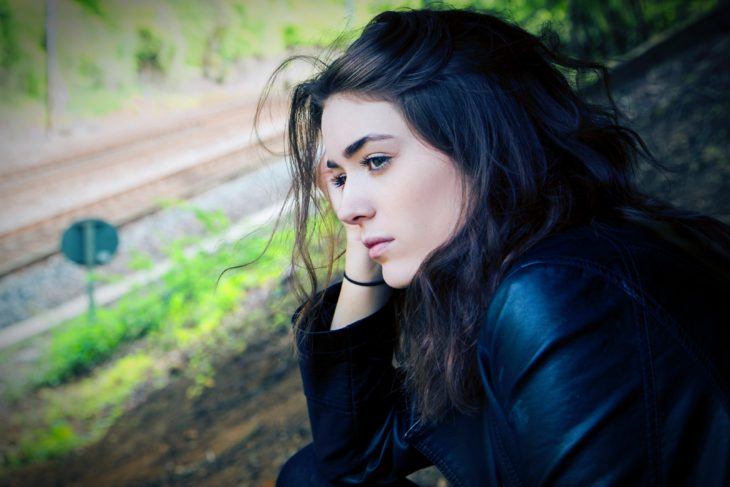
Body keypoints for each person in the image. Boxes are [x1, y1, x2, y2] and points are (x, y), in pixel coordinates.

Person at [262, 7, 730, 486]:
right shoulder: (510, 271)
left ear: (479, 142)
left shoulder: (560, 292)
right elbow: (353, 458)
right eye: (338, 177)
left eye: (377, 161)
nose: (346, 208)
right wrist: (364, 256)